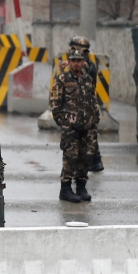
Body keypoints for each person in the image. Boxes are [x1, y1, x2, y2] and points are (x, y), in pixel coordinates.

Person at [50, 50, 99, 203]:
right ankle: (65, 189)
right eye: (73, 60)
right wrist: (64, 122)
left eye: (79, 60)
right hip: (70, 126)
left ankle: (81, 187)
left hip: (88, 126)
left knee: (86, 157)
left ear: (83, 61)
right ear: (69, 62)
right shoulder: (62, 79)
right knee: (70, 157)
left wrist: (95, 118)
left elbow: (93, 99)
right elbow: (55, 103)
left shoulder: (87, 79)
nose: (76, 63)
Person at [66, 36, 104, 172]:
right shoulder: (88, 63)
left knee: (82, 136)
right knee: (89, 135)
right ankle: (96, 161)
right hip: (85, 104)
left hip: (82, 105)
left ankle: (87, 163)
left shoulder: (84, 65)